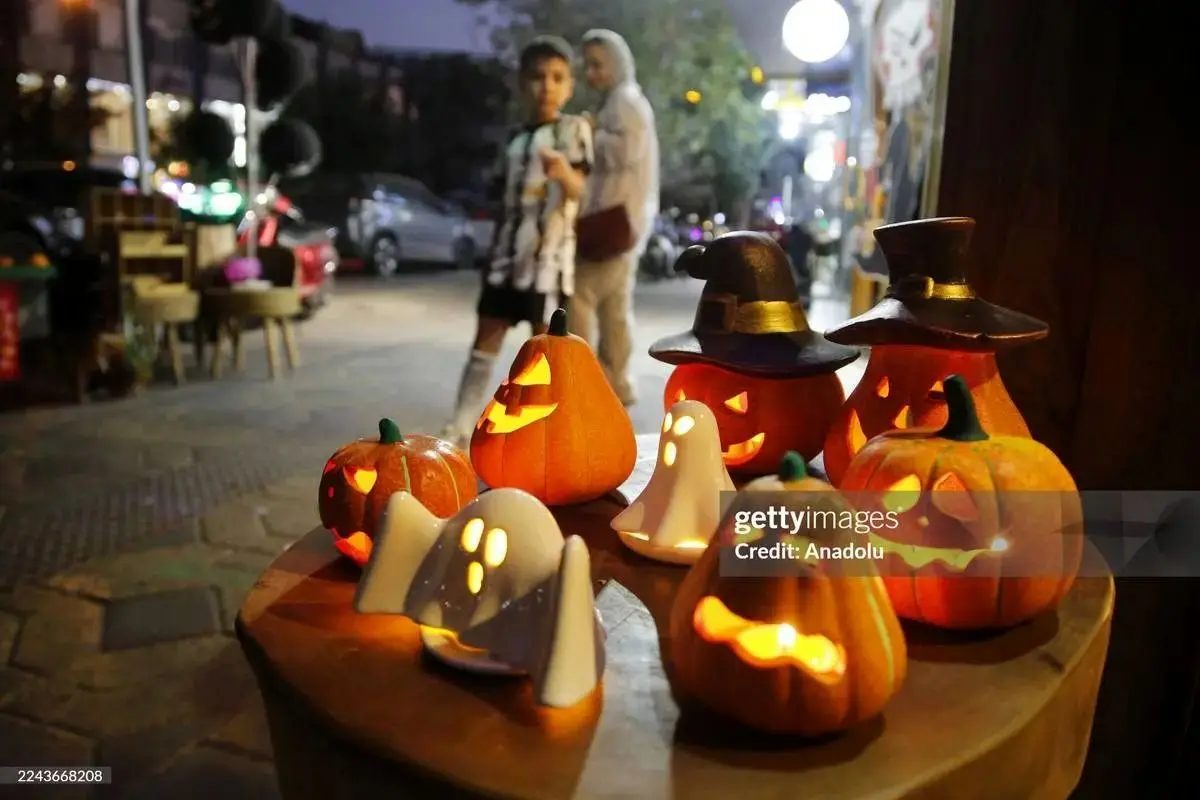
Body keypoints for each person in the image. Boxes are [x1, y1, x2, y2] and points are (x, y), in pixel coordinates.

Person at [441, 36, 592, 445]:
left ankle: (544, 438)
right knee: (484, 341)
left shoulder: (574, 130)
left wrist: (563, 172)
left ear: (570, 86)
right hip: (506, 259)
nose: (547, 86)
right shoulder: (513, 139)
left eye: (558, 77)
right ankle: (460, 426)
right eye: (538, 77)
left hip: (548, 264)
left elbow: (585, 192)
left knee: (546, 355)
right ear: (522, 84)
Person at [571, 29, 659, 407]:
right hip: (622, 225)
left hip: (614, 222)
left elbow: (624, 152)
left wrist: (590, 132)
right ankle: (614, 383)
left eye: (597, 64)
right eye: (587, 65)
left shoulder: (625, 102)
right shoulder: (622, 101)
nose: (590, 73)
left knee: (579, 297)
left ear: (617, 64)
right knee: (614, 309)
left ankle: (588, 382)